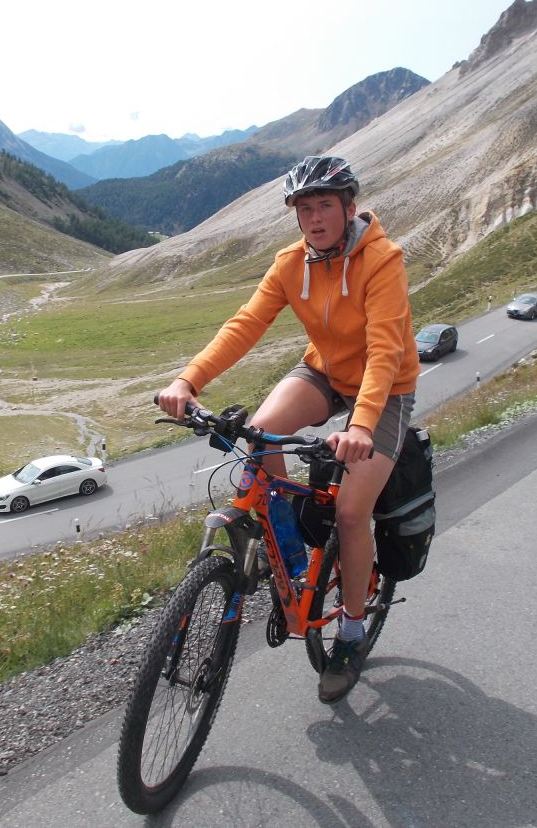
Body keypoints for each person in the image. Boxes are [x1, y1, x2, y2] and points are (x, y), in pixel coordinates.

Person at [157, 155, 419, 703]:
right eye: (305, 208)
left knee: (350, 511)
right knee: (257, 435)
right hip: (324, 370)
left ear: (349, 208)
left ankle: (348, 632)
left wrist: (362, 427)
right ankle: (290, 551)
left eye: (325, 205)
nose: (315, 217)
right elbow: (245, 325)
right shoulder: (290, 263)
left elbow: (384, 351)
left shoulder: (382, 261)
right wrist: (188, 381)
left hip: (385, 388)